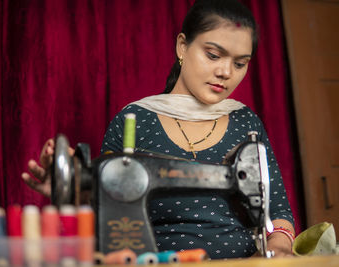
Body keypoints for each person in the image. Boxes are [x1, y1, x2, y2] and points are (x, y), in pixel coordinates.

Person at [22, 0, 295, 259]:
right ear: (182, 47)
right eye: (213, 55)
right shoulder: (133, 121)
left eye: (240, 63)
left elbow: (277, 208)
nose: (225, 71)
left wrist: (279, 247)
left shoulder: (246, 122)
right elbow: (105, 213)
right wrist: (73, 190)